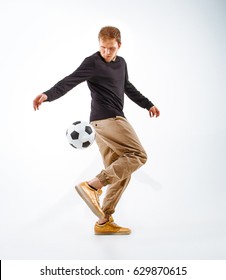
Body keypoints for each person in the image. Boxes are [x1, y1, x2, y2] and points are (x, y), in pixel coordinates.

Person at [33, 26, 160, 235]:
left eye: (111, 48)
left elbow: (127, 87)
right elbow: (70, 80)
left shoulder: (122, 64)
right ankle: (92, 186)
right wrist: (48, 95)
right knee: (138, 155)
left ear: (119, 45)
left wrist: (148, 104)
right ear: (98, 45)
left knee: (121, 172)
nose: (107, 52)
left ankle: (104, 221)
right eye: (103, 48)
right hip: (109, 119)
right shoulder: (92, 62)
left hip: (102, 124)